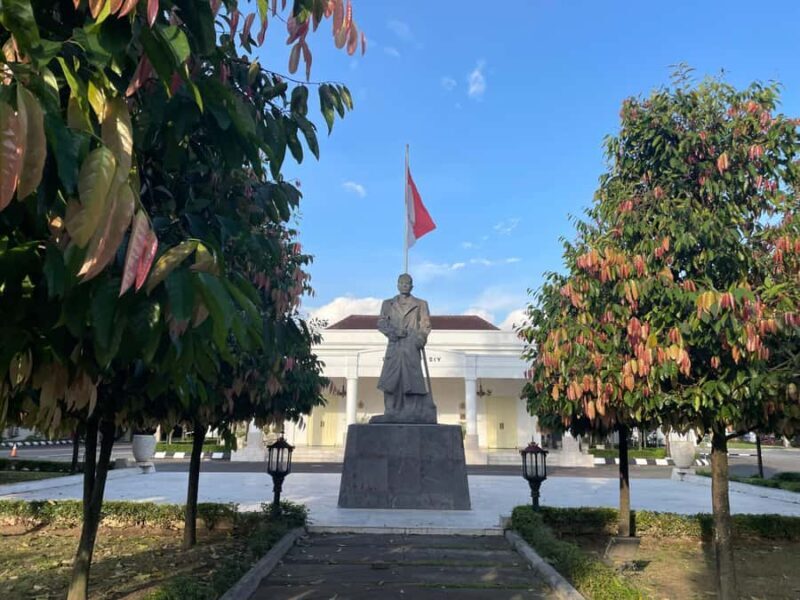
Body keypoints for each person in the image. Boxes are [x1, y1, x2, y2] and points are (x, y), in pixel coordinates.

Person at [370, 273, 437, 424]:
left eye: (408, 283)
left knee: (411, 379)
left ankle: (411, 411)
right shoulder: (388, 304)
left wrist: (421, 338)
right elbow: (381, 323)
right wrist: (393, 332)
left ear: (412, 286)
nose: (405, 285)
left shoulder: (421, 304)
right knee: (390, 380)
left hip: (411, 346)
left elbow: (425, 324)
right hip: (394, 346)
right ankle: (391, 410)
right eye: (402, 283)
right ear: (397, 285)